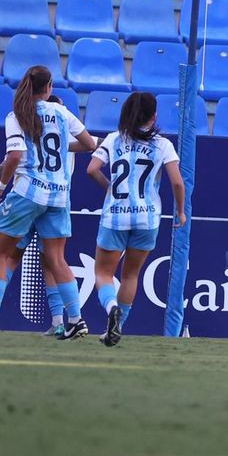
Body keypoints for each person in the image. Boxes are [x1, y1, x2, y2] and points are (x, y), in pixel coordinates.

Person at [0, 66, 96, 337]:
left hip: (28, 193)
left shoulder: (17, 115)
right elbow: (90, 144)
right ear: (48, 88)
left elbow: (12, 157)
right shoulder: (61, 112)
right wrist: (60, 143)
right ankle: (75, 319)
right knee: (57, 259)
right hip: (58, 196)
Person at [87, 92, 185, 347]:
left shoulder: (113, 139)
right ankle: (118, 325)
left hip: (115, 215)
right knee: (130, 274)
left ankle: (111, 311)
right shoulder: (163, 145)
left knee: (103, 273)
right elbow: (176, 181)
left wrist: (109, 187)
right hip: (147, 217)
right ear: (153, 117)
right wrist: (181, 211)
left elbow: (91, 170)